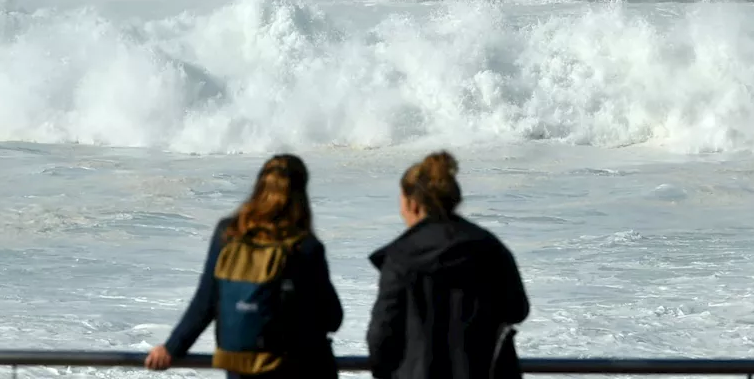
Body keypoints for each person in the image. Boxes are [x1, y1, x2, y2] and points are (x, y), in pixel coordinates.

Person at [144, 154, 344, 378]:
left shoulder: (229, 233)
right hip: (289, 367)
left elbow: (206, 302)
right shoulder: (304, 246)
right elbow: (333, 317)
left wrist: (172, 348)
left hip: (239, 367)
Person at [366, 151, 530, 379]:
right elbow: (517, 310)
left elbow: (381, 335)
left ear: (413, 204)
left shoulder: (401, 256)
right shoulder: (490, 247)